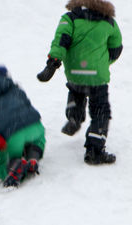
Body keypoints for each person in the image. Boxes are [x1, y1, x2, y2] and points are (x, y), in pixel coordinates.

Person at [37, 0, 122, 165]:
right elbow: (116, 48)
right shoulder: (109, 21)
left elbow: (61, 40)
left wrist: (53, 62)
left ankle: (74, 116)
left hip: (75, 73)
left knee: (76, 91)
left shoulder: (70, 18)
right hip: (97, 75)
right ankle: (94, 151)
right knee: (100, 111)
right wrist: (103, 62)